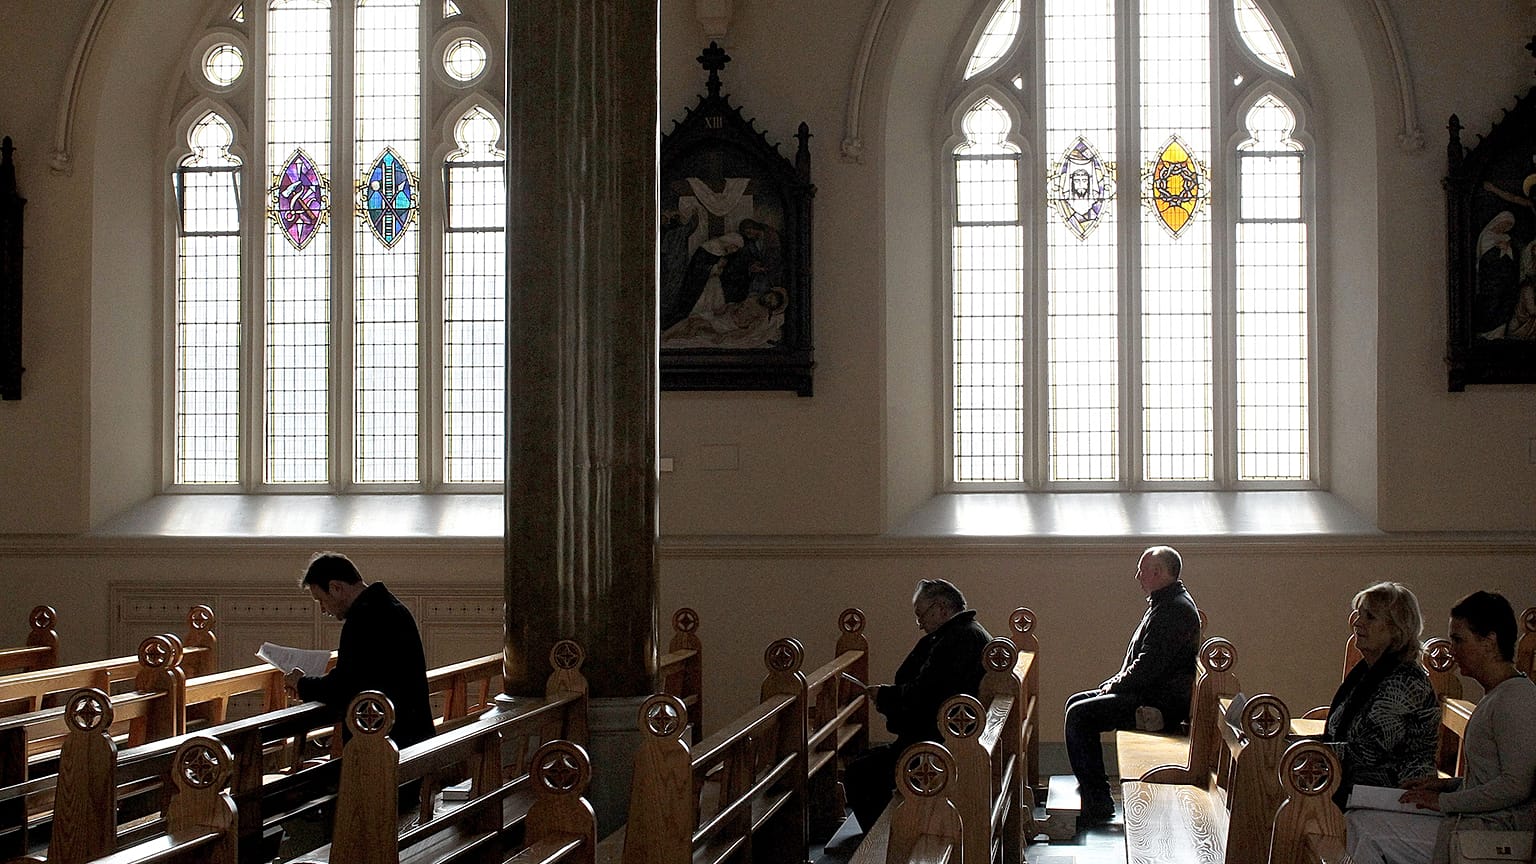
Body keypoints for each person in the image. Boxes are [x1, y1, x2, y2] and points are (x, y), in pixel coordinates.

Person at [1346, 590, 1536, 864]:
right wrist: (1444, 786)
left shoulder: (1516, 698)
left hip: (1489, 833)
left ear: (1489, 641)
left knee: (1366, 829)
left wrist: (1443, 802)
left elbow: (1516, 785)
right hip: (1471, 817)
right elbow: (1492, 776)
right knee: (1360, 818)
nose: (1452, 649)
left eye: (1459, 639)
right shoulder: (1498, 693)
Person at [1063, 545, 1201, 825]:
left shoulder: (1173, 609)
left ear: (1157, 572)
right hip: (1148, 692)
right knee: (1075, 703)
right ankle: (1093, 791)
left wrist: (1114, 686)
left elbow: (1148, 667)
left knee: (1079, 716)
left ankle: (1098, 800)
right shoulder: (1166, 602)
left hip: (1157, 704)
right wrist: (1114, 683)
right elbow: (1143, 663)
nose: (1137, 575)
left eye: (1141, 570)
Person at [843, 579, 992, 833]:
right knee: (865, 763)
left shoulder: (958, 640)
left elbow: (925, 698)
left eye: (921, 615)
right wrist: (890, 696)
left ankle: (890, 842)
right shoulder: (961, 633)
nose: (920, 623)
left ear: (942, 608)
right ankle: (893, 833)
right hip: (948, 734)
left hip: (940, 745)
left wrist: (885, 698)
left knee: (860, 773)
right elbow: (928, 689)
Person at [283, 551, 435, 749]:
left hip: (388, 741)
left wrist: (301, 684)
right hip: (411, 732)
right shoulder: (387, 606)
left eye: (321, 600)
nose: (322, 609)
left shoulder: (365, 618)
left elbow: (345, 687)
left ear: (335, 587)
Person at [1324, 582, 1439, 809]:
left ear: (1396, 629)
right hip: (1361, 791)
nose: (1357, 622)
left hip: (1395, 797)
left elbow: (1370, 751)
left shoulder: (1405, 682)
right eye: (1358, 614)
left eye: (1370, 617)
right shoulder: (1367, 672)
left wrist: (1304, 750)